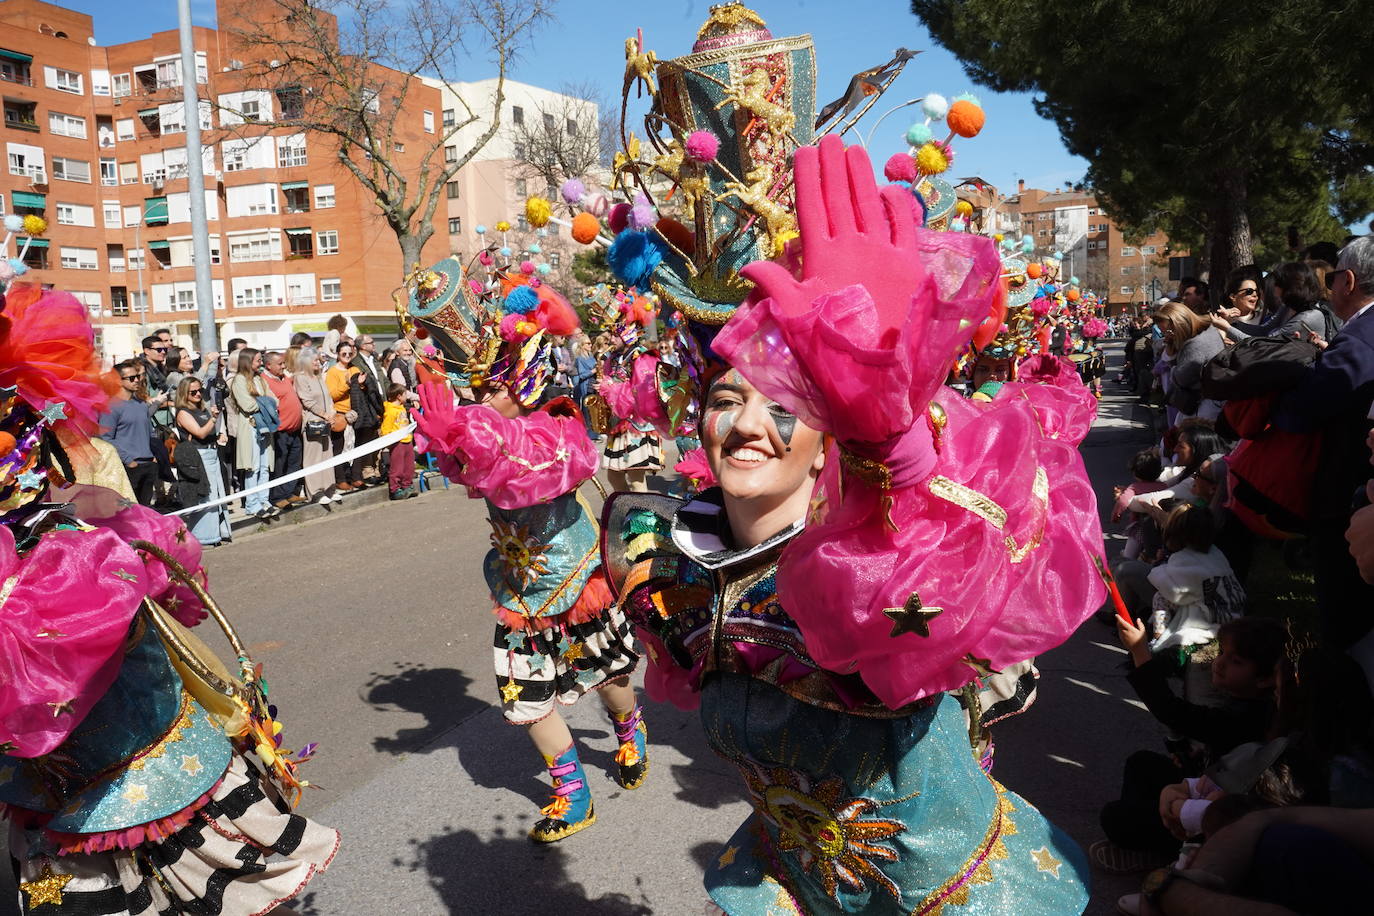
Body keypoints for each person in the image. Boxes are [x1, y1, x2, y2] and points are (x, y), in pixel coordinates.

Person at [605, 136, 1102, 913]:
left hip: (941, 895)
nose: (746, 426)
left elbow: (913, 607)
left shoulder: (876, 563)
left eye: (784, 406)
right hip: (801, 881)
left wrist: (885, 441)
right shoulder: (671, 565)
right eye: (726, 400)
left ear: (824, 440)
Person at [0, 286, 338, 915]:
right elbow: (169, 576)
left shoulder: (84, 498)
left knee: (202, 874)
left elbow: (162, 576)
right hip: (73, 777)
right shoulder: (82, 495)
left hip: (137, 748)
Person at [409, 258, 646, 845]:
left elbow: (531, 467)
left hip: (573, 571)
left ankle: (628, 727)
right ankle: (573, 792)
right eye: (475, 389)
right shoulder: (484, 429)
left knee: (606, 668)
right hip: (517, 585)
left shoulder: (558, 422)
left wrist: (476, 432)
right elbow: (477, 470)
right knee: (522, 691)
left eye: (490, 387)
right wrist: (450, 436)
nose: (479, 399)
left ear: (523, 380)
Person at [1094, 616, 1285, 873]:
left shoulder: (1247, 718)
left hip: (1211, 820)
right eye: (1223, 653)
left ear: (1264, 679)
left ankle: (1165, 851)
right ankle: (1150, 837)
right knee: (1141, 763)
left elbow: (1171, 711)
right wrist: (1195, 760)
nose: (1220, 663)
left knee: (1114, 818)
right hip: (1205, 787)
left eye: (1236, 661)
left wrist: (1140, 650)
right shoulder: (1249, 704)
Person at [1273, 236, 1374, 654]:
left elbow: (1301, 412)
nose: (1329, 288)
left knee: (1347, 617)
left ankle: (1339, 702)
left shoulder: (1361, 338)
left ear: (1347, 280)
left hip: (1349, 497)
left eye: (1332, 279)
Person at [173, 376, 232, 547]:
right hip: (199, 457)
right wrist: (213, 419)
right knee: (206, 495)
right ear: (185, 394)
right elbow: (199, 433)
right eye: (193, 392)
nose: (198, 394)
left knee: (218, 494)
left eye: (200, 390)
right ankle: (203, 537)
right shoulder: (183, 412)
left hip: (212, 452)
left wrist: (219, 433)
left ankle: (219, 533)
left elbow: (208, 432)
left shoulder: (202, 408)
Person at [98, 359, 159, 506]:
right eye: (131, 378)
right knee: (127, 511)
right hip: (127, 467)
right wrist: (128, 460)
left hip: (147, 464)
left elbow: (149, 433)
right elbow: (105, 438)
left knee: (144, 509)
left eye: (138, 377)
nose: (137, 380)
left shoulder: (141, 404)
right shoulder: (111, 406)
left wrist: (154, 457)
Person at [228, 348, 279, 521]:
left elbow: (274, 400)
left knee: (265, 466)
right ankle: (252, 503)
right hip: (250, 428)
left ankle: (264, 500)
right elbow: (248, 405)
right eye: (258, 360)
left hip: (265, 426)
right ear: (248, 362)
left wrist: (264, 402)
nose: (261, 363)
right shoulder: (239, 380)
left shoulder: (259, 378)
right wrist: (266, 403)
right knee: (253, 467)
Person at [294, 346, 342, 506]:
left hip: (327, 420)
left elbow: (327, 397)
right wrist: (324, 414)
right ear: (306, 361)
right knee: (313, 458)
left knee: (327, 455)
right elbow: (307, 400)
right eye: (315, 360)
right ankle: (315, 492)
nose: (318, 362)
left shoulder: (319, 376)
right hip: (313, 422)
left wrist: (332, 413)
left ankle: (330, 488)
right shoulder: (300, 377)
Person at [262, 350, 306, 510]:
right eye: (279, 364)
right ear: (268, 365)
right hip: (280, 431)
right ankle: (277, 496)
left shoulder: (284, 378)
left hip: (294, 430)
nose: (283, 366)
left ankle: (288, 492)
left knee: (293, 463)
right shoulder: (264, 380)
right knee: (279, 465)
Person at [325, 341, 363, 492]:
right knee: (339, 448)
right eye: (343, 354)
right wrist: (347, 384)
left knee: (356, 447)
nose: (347, 356)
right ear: (338, 355)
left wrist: (362, 385)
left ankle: (356, 477)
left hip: (355, 413)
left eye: (350, 353)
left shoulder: (355, 369)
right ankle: (340, 479)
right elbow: (331, 394)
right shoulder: (333, 372)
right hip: (341, 415)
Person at [348, 335, 385, 487]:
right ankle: (367, 470)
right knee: (366, 439)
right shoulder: (356, 363)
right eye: (370, 342)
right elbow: (365, 387)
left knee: (378, 438)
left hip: (381, 401)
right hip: (369, 405)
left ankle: (377, 468)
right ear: (362, 346)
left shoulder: (374, 360)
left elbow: (382, 380)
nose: (374, 344)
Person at [381, 382, 416, 499]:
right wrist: (388, 439)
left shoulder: (402, 408)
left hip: (407, 440)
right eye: (405, 394)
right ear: (399, 396)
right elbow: (386, 428)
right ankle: (395, 489)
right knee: (397, 467)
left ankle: (407, 485)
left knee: (409, 466)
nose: (407, 397)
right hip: (398, 443)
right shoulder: (390, 411)